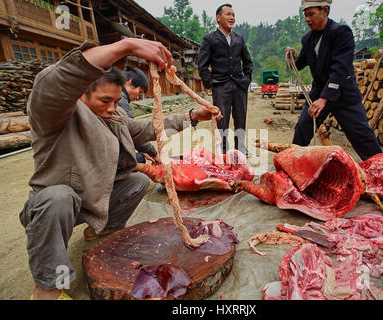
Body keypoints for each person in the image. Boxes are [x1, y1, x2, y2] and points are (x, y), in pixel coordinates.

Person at [19, 38, 222, 300]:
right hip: (53, 207)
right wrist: (124, 46)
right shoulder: (53, 112)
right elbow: (56, 82)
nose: (113, 109)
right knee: (58, 198)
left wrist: (192, 116)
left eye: (116, 101)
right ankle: (47, 290)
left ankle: (101, 229)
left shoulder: (111, 116)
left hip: (90, 200)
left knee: (136, 181)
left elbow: (146, 128)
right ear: (80, 93)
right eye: (105, 100)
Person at [286, 0, 382, 161]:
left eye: (311, 14)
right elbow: (300, 63)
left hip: (344, 93)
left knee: (361, 134)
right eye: (305, 15)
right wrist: (291, 59)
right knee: (303, 127)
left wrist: (325, 98)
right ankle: (293, 164)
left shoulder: (341, 32)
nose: (308, 19)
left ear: (325, 11)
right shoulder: (307, 39)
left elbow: (340, 68)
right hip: (318, 93)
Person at [198, 3, 253, 157]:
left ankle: (240, 147)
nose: (232, 17)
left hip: (239, 85)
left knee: (241, 117)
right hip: (220, 86)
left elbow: (248, 62)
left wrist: (246, 80)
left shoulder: (239, 39)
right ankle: (223, 150)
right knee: (222, 120)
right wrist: (210, 83)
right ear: (218, 17)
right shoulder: (209, 39)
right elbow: (202, 65)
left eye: (233, 15)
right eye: (228, 14)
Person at [118, 65, 159, 164]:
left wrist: (144, 150)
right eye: (139, 92)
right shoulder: (119, 98)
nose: (137, 97)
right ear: (130, 82)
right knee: (139, 159)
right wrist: (154, 153)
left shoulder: (118, 96)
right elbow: (133, 132)